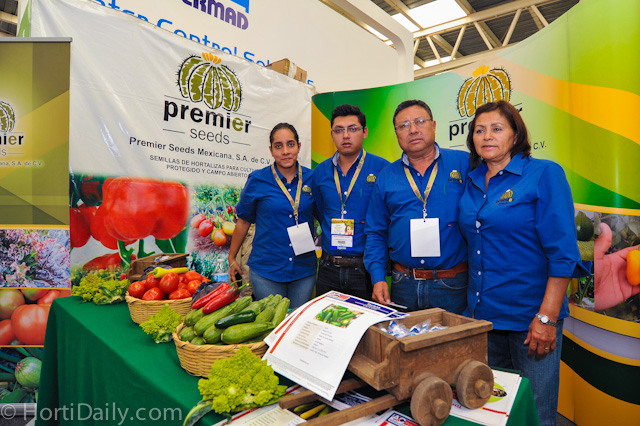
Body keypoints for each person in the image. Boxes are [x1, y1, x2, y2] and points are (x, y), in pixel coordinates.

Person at [458, 100, 581, 426]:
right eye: (479, 130)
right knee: (495, 412)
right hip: (484, 318)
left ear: (516, 135)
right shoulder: (473, 180)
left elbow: (563, 253)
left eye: (497, 129)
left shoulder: (543, 174)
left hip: (531, 320)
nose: (487, 136)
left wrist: (546, 318)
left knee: (535, 415)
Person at [364, 100, 469, 313]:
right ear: (396, 134)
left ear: (434, 125)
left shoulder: (465, 164)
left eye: (419, 121)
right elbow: (375, 232)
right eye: (403, 125)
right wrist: (377, 277)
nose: (412, 130)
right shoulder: (386, 176)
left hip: (452, 284)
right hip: (404, 284)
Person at [228, 123, 316, 309]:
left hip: (304, 269)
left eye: (290, 144)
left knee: (297, 321)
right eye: (278, 146)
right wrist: (232, 257)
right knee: (272, 322)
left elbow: (324, 216)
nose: (285, 151)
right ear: (271, 150)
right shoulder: (258, 180)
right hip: (266, 270)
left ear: (299, 146)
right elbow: (243, 221)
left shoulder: (313, 178)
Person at [311, 104, 389, 300]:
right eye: (339, 130)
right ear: (332, 134)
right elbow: (321, 211)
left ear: (365, 132)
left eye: (352, 129)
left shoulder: (383, 169)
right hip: (328, 268)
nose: (345, 135)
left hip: (365, 270)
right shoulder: (320, 172)